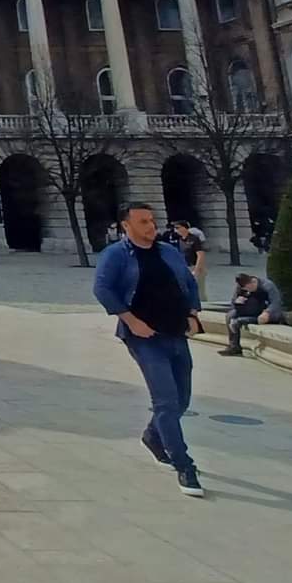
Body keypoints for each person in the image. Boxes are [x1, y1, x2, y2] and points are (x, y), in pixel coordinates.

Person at [92, 200, 205, 498]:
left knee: (182, 400)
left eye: (152, 220)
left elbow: (188, 284)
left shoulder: (168, 251)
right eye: (143, 221)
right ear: (126, 225)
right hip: (144, 337)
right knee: (166, 401)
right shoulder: (116, 255)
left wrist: (193, 313)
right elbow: (102, 288)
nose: (151, 226)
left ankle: (153, 436)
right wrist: (131, 321)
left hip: (176, 332)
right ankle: (184, 464)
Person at [218, 270, 283, 355]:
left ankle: (240, 322)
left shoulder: (267, 286)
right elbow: (233, 302)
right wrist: (237, 302)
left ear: (253, 282)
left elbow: (276, 302)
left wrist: (268, 312)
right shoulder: (240, 287)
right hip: (250, 310)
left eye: (249, 288)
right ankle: (234, 346)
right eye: (245, 289)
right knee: (230, 316)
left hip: (264, 312)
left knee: (240, 321)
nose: (248, 291)